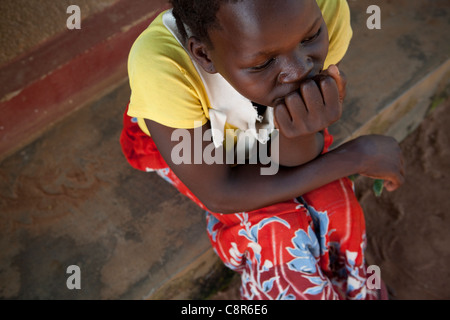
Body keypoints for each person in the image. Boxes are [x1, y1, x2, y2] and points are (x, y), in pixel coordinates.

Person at [120, 0, 404, 300]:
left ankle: (355, 290)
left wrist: (307, 134)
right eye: (262, 63)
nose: (298, 71)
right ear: (203, 54)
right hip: (198, 149)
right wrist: (354, 157)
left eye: (309, 37)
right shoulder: (162, 65)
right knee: (278, 233)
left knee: (336, 205)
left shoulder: (322, 7)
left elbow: (299, 152)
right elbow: (220, 191)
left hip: (274, 134)